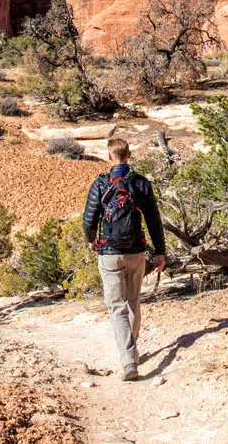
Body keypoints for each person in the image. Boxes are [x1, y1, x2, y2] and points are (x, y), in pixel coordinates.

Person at [82, 137, 166, 380]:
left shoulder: (101, 183)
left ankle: (128, 359)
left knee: (116, 306)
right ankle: (132, 347)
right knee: (133, 302)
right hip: (136, 251)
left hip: (109, 252)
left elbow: (90, 218)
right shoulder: (140, 183)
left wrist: (91, 239)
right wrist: (160, 251)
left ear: (109, 156)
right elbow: (153, 219)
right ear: (129, 155)